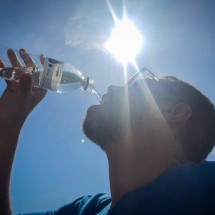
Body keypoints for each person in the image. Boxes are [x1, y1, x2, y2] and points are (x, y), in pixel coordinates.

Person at [0, 49, 215, 215]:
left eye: (137, 84)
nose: (112, 88)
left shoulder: (205, 188)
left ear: (175, 113)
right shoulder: (87, 209)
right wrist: (9, 118)